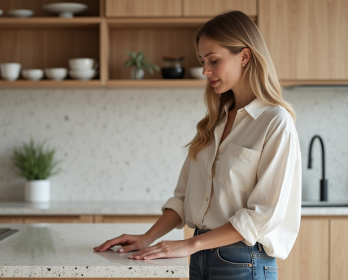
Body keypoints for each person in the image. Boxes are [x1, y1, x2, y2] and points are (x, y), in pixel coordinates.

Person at [93, 10, 301, 280]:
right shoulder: (213, 123)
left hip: (243, 261)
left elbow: (263, 215)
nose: (205, 71)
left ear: (245, 56)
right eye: (203, 61)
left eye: (213, 60)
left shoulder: (275, 122)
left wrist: (189, 244)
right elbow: (183, 198)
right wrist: (147, 238)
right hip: (200, 257)